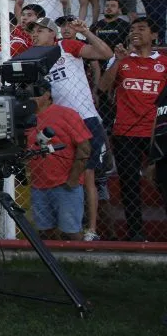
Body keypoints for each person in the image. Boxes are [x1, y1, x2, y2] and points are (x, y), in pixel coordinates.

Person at [32, 17, 111, 241]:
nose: (34, 34)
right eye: (32, 31)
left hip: (84, 117)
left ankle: (91, 230)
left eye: (40, 30)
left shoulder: (65, 46)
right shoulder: (33, 58)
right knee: (62, 175)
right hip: (56, 123)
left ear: (52, 34)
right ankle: (65, 227)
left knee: (88, 175)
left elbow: (105, 54)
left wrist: (86, 32)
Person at [99, 18, 167, 240]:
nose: (135, 32)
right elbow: (103, 87)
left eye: (141, 29)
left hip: (157, 133)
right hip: (125, 132)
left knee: (164, 181)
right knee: (129, 185)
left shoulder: (164, 62)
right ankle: (136, 234)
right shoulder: (122, 60)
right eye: (132, 29)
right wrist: (118, 61)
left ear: (154, 35)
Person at [26, 80, 92, 241]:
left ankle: (81, 257)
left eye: (36, 94)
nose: (32, 98)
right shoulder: (26, 119)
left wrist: (73, 179)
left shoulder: (66, 114)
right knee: (44, 232)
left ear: (48, 95)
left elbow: (84, 147)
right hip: (38, 184)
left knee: (71, 232)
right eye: (29, 94)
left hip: (64, 183)